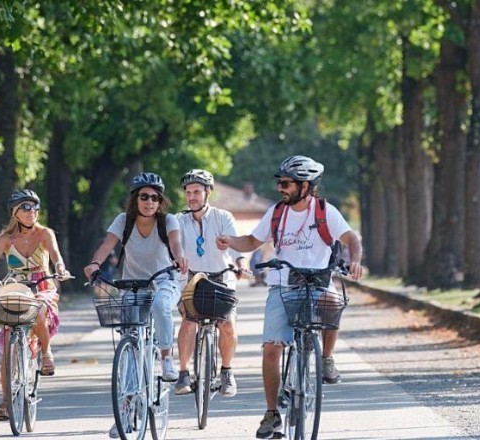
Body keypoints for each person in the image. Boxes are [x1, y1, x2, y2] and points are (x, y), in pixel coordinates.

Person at [216, 155, 363, 439]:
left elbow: (351, 238)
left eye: (286, 183)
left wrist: (355, 260)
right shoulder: (277, 212)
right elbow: (252, 241)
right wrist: (231, 241)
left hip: (318, 282)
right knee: (271, 348)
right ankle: (272, 414)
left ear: (305, 186)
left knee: (334, 303)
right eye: (280, 183)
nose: (280, 188)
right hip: (282, 285)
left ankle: (327, 359)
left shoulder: (325, 211)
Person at [83, 172, 188, 439]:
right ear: (135, 199)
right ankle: (125, 412)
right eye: (144, 196)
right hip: (133, 285)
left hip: (164, 280)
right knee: (130, 346)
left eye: (155, 197)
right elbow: (106, 245)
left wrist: (179, 258)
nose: (149, 202)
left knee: (161, 305)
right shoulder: (124, 221)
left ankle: (167, 358)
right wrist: (95, 263)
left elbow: (176, 243)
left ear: (160, 201)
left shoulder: (168, 221)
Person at [0, 189, 71, 421]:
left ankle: (46, 353)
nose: (32, 211)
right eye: (25, 207)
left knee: (38, 311)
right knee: (8, 342)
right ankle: (6, 401)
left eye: (35, 207)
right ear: (14, 213)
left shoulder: (45, 234)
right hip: (15, 288)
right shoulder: (6, 239)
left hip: (41, 287)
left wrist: (60, 269)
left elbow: (56, 256)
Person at [174, 169, 250, 397]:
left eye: (196, 192)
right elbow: (172, 248)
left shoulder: (223, 217)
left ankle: (227, 371)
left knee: (227, 324)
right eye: (188, 192)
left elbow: (237, 247)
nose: (191, 197)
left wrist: (242, 265)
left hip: (221, 278)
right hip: (192, 279)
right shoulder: (178, 220)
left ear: (208, 192)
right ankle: (183, 373)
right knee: (188, 322)